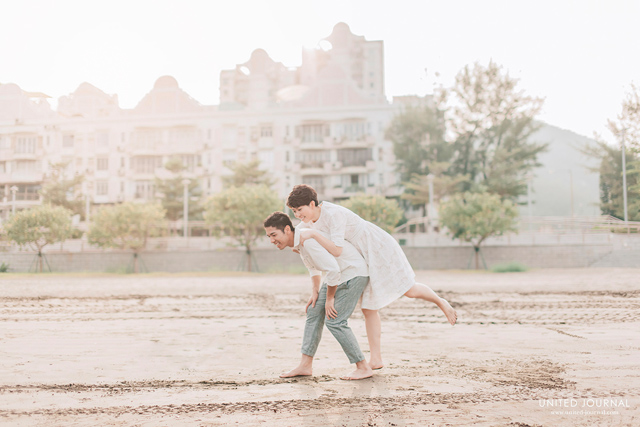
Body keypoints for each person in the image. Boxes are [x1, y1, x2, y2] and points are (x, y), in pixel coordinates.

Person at [286, 184, 457, 370]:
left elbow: (336, 250)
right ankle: (376, 359)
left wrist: (312, 234)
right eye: (294, 211)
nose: (298, 215)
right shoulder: (307, 222)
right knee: (368, 307)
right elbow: (297, 241)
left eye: (299, 210)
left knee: (409, 289)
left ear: (312, 204)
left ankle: (441, 302)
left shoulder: (333, 214)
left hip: (376, 247)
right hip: (359, 258)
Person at [263, 211, 373, 380]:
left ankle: (363, 366)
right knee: (314, 311)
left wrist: (330, 299)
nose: (271, 240)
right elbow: (313, 266)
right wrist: (315, 291)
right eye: (268, 236)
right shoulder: (299, 242)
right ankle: (305, 365)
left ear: (286, 230)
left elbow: (333, 269)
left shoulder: (308, 242)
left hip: (352, 273)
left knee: (335, 321)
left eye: (273, 235)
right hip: (338, 276)